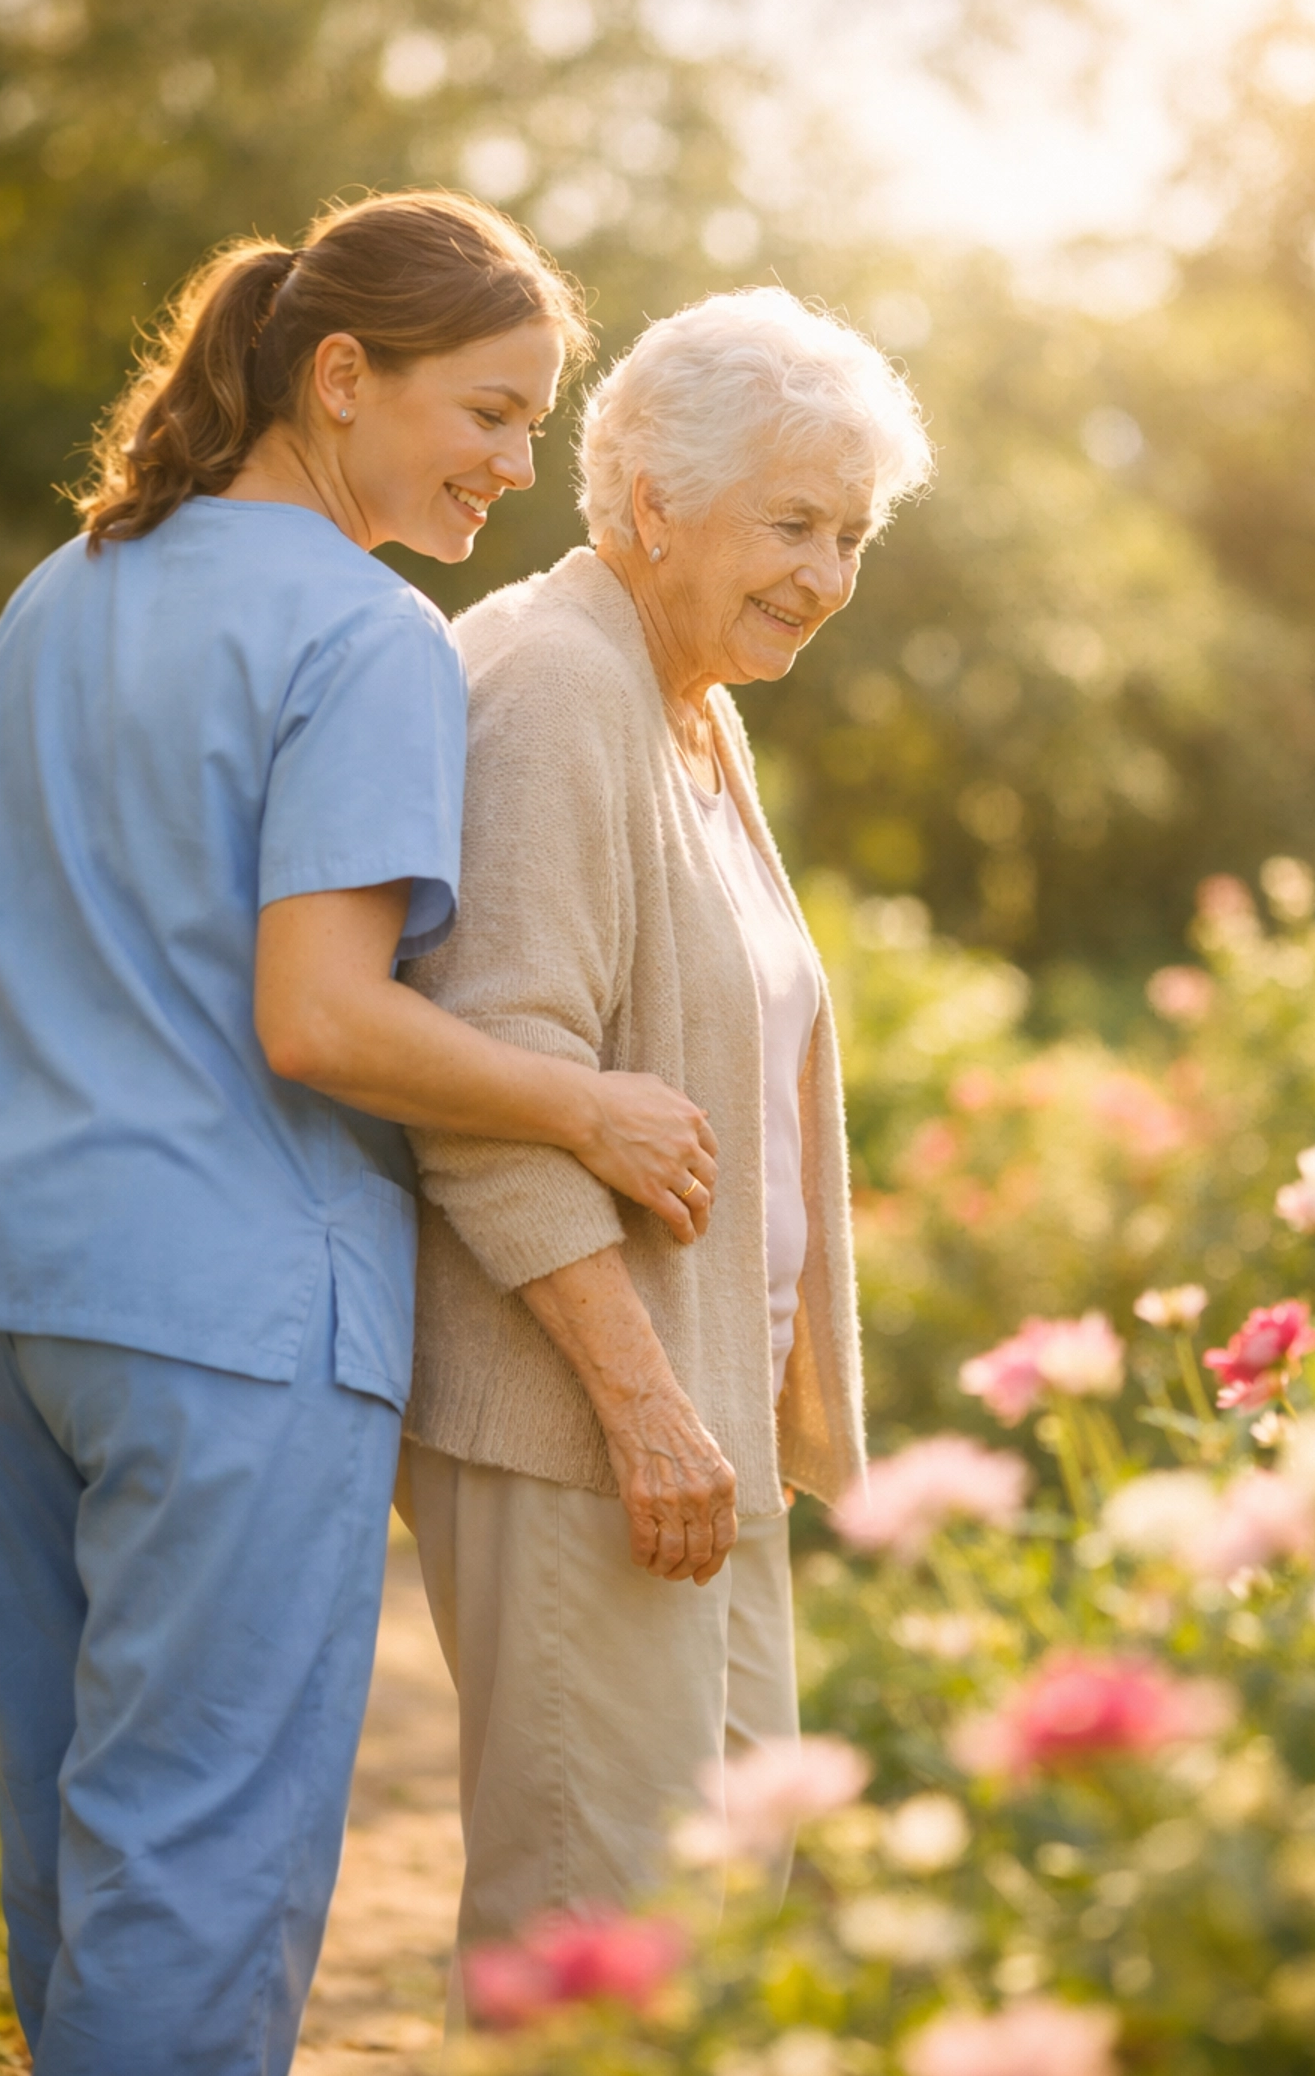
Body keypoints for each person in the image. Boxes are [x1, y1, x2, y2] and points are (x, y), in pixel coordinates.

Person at [0, 189, 718, 2076]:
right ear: (342, 374)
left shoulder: (60, 594)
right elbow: (321, 1018)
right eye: (488, 410)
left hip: (4, 1293)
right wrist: (590, 1103)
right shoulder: (370, 634)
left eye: (538, 425)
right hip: (230, 1320)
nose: (514, 466)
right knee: (204, 1863)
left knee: (71, 1840)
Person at [398, 286, 933, 1947]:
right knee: (595, 1934)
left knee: (720, 1918)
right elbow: (481, 1074)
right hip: (590, 1425)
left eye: (851, 536)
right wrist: (642, 1407)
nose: (826, 579)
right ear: (652, 503)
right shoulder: (557, 686)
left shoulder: (696, 709)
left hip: (703, 1421)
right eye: (792, 524)